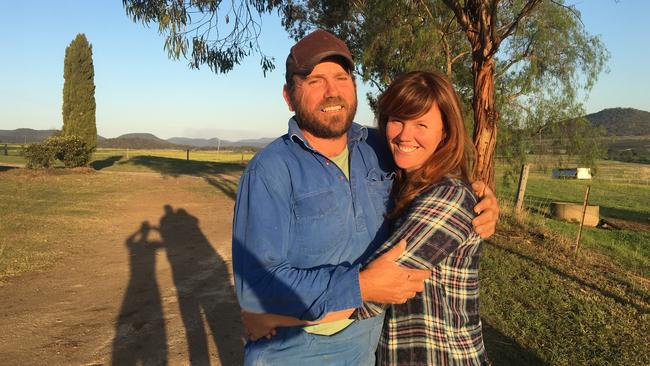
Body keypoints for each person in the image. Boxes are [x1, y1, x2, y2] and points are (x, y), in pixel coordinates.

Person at [232, 29, 498, 365]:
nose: (332, 91)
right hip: (296, 352)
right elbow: (256, 283)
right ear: (289, 95)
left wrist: (478, 194)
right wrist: (358, 286)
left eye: (342, 77)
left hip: (366, 347)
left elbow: (429, 170)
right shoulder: (269, 171)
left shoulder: (374, 148)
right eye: (315, 80)